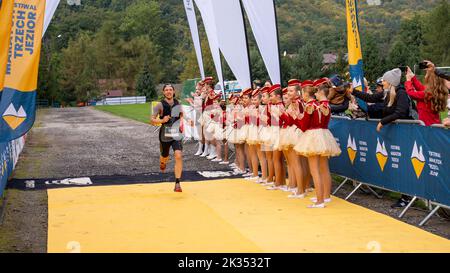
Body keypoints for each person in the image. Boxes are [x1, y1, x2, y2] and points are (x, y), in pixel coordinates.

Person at [294, 80, 341, 208]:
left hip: (313, 136)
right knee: (324, 168)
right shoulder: (325, 104)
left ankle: (319, 200)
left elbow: (304, 126)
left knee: (315, 170)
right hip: (324, 135)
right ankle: (325, 196)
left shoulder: (311, 106)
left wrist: (297, 117)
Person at [151, 84, 191, 193]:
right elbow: (152, 120)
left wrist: (188, 120)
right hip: (165, 135)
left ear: (173, 91)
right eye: (166, 90)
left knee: (178, 155)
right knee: (165, 157)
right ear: (163, 92)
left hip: (176, 134)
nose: (169, 91)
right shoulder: (159, 105)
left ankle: (177, 183)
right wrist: (161, 121)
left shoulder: (178, 103)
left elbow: (182, 114)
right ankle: (163, 161)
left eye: (170, 90)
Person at [352, 68, 412, 132]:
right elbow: (370, 98)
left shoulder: (401, 93)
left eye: (384, 81)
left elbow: (400, 113)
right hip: (395, 130)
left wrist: (382, 122)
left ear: (390, 82)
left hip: (405, 129)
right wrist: (354, 91)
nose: (382, 83)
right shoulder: (386, 92)